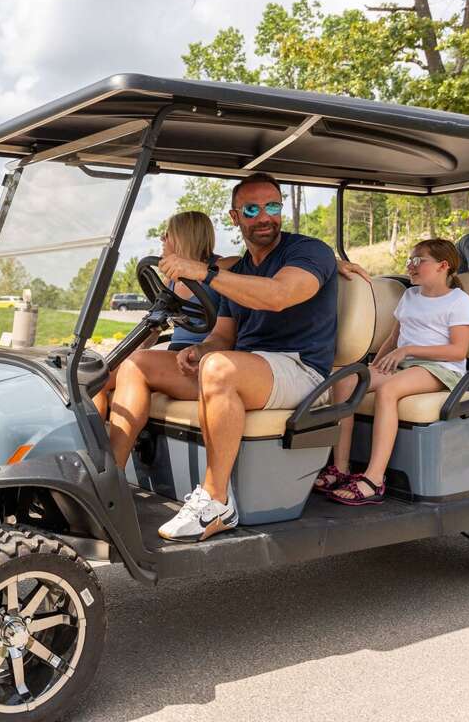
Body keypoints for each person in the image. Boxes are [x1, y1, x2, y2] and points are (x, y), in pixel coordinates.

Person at [106, 171, 344, 542]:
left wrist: (205, 272)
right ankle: (110, 486)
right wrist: (199, 350)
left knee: (220, 369)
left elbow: (278, 295)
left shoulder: (308, 251)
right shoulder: (240, 269)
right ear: (235, 217)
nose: (264, 216)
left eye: (272, 206)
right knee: (138, 364)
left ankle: (217, 502)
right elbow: (223, 336)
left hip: (301, 370)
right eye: (251, 209)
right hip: (248, 369)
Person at [317, 239, 469, 505]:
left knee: (388, 390)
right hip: (405, 364)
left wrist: (408, 351)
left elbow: (458, 351)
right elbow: (394, 339)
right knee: (344, 383)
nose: (410, 266)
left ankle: (374, 478)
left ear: (443, 266)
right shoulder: (410, 296)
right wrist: (372, 368)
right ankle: (340, 468)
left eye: (418, 261)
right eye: (409, 261)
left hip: (441, 369)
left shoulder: (459, 301)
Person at [92, 211, 232, 418]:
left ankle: (114, 450)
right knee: (94, 381)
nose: (161, 239)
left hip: (200, 361)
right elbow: (153, 328)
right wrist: (120, 359)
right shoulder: (171, 282)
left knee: (138, 364)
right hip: (172, 357)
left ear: (184, 237)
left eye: (167, 234)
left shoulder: (224, 267)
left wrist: (195, 268)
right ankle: (94, 445)